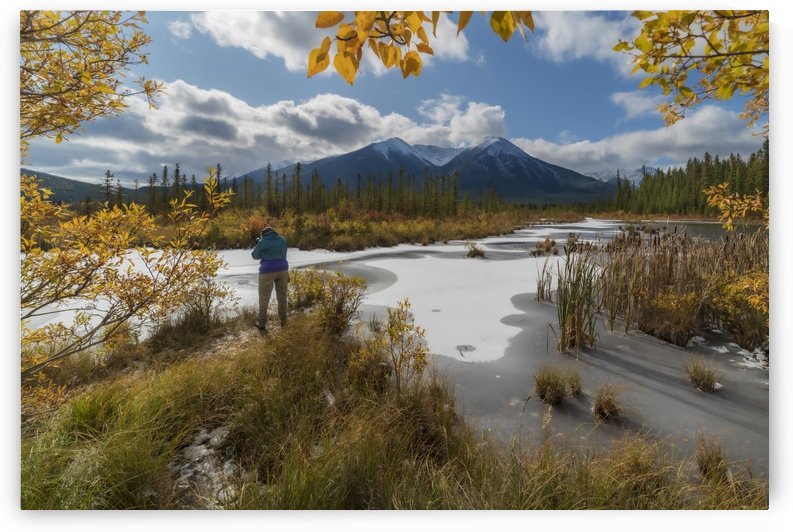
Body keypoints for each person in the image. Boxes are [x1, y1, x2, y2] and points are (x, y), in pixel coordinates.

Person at [251, 226, 289, 332]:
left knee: (264, 298)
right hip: (283, 269)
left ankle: (262, 324)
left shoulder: (263, 241)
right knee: (282, 297)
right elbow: (283, 255)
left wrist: (259, 244)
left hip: (267, 271)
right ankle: (284, 322)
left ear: (263, 234)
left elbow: (255, 256)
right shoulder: (283, 240)